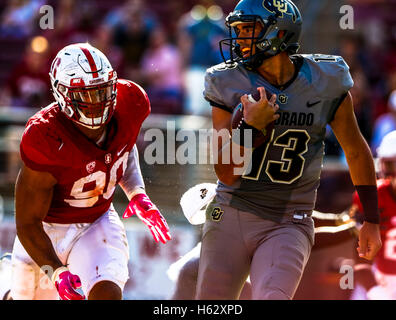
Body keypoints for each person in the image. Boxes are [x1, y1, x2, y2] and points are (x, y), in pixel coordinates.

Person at [196, 0, 381, 300]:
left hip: (289, 220)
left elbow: (356, 150)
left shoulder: (325, 80)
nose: (240, 39)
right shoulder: (227, 82)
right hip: (231, 213)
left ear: (279, 33)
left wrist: (372, 218)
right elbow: (226, 173)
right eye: (238, 31)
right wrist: (249, 130)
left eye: (248, 30)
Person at [9, 43, 171, 300]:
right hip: (46, 229)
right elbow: (27, 223)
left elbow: (124, 148)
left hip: (97, 221)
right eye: (85, 94)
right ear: (61, 93)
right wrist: (56, 272)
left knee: (107, 294)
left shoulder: (131, 101)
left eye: (101, 91)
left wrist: (137, 193)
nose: (96, 102)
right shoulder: (45, 136)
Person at [350, 130, 396, 300]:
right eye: (390, 165)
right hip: (380, 278)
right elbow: (360, 261)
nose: (393, 173)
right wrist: (376, 292)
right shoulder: (374, 197)